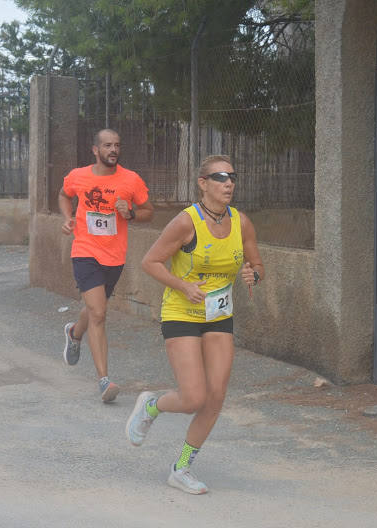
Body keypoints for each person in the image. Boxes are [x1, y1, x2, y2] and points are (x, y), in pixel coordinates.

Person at [126, 154, 264, 494]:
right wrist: (183, 285)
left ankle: (182, 467)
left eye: (232, 176)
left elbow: (257, 263)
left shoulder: (241, 222)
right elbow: (150, 261)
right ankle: (151, 406)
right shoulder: (186, 222)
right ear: (203, 184)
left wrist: (253, 274)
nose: (228, 182)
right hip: (182, 313)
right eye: (219, 177)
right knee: (192, 397)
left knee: (215, 397)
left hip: (218, 316)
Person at [59, 129, 154, 402]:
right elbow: (64, 195)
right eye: (108, 145)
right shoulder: (78, 176)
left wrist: (132, 213)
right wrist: (67, 218)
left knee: (95, 309)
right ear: (95, 150)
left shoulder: (130, 180)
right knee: (99, 313)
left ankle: (74, 332)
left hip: (114, 256)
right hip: (85, 251)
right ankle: (104, 380)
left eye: (117, 146)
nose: (113, 150)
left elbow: (149, 211)